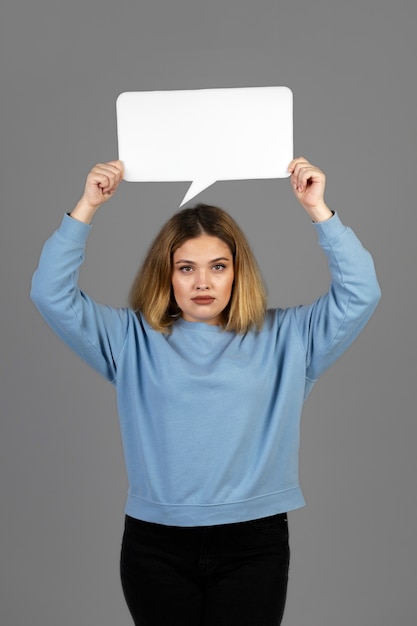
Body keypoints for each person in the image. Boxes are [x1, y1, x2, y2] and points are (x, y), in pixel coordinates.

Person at [31, 157, 381, 626]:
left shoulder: (289, 337)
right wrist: (87, 205)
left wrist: (318, 209)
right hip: (156, 546)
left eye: (217, 266)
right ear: (167, 274)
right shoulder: (131, 339)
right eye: (186, 268)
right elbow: (49, 294)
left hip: (254, 545)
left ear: (238, 272)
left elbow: (362, 292)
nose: (202, 283)